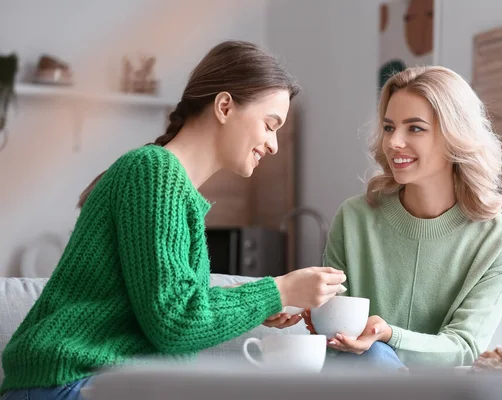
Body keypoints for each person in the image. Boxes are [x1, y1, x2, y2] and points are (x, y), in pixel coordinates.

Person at [0, 40, 346, 399]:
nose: (274, 145)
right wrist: (280, 290)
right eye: (269, 124)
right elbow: (176, 323)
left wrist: (256, 301)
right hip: (66, 382)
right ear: (225, 106)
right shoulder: (154, 172)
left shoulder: (171, 185)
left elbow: (165, 302)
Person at [304, 66, 502, 368]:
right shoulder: (353, 218)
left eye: (415, 128)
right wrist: (313, 313)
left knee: (377, 355)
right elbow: (335, 336)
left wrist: (389, 336)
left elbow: (464, 346)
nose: (394, 142)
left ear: (454, 136)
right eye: (388, 127)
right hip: (356, 384)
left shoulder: (501, 240)